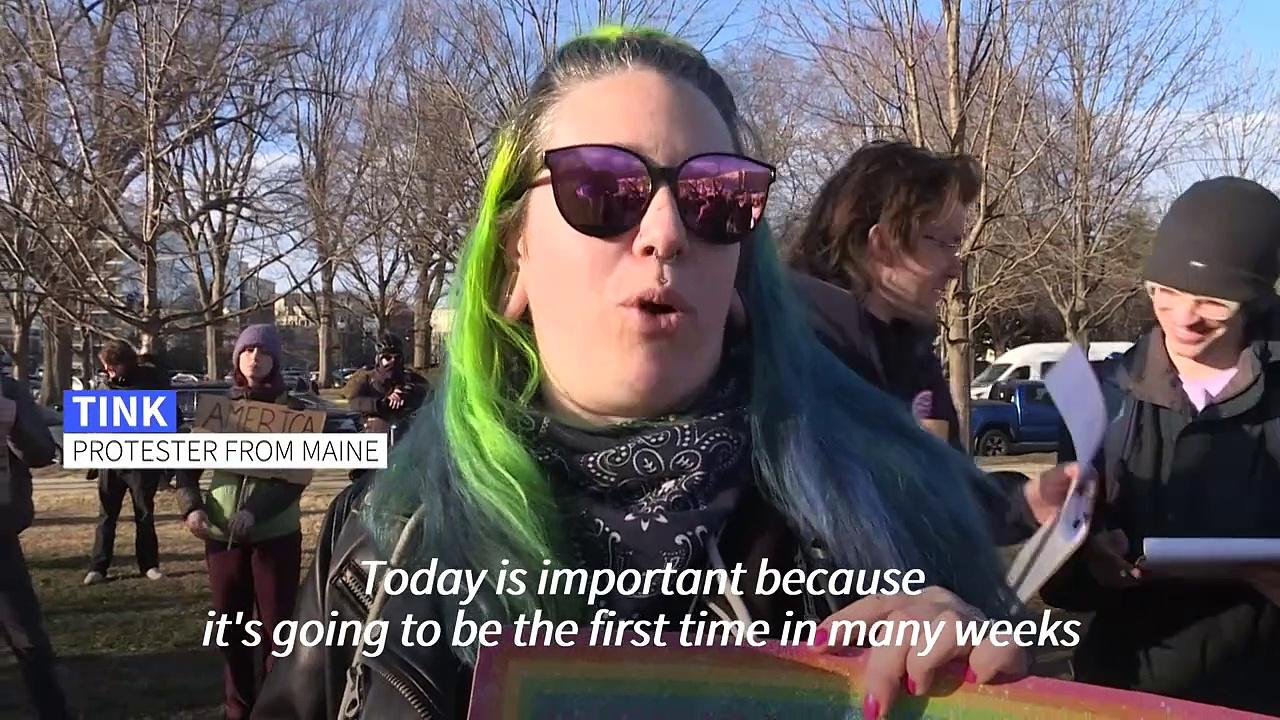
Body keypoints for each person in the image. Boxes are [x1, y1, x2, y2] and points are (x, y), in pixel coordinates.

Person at [253, 27, 1032, 720]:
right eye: (600, 188)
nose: (665, 233)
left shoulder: (882, 528)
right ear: (512, 256)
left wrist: (974, 696)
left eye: (715, 197)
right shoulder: (383, 536)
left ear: (739, 273)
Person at [1041, 176, 1280, 714]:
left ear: (1256, 299)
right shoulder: (1095, 395)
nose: (1183, 318)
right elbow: (1061, 579)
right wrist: (1086, 562)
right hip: (1127, 688)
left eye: (1213, 302)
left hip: (1262, 689)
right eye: (1164, 294)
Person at [787, 141, 1056, 545]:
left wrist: (1028, 502)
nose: (955, 267)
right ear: (881, 243)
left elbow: (947, 498)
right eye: (944, 242)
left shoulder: (912, 356)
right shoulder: (794, 358)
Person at [176, 324, 306, 720]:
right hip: (220, 536)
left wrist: (255, 512)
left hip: (275, 535)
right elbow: (186, 468)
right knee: (231, 628)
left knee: (276, 631)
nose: (254, 357)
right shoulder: (219, 409)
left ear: (274, 360)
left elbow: (294, 478)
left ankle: (274, 705)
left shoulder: (295, 411)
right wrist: (192, 507)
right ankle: (238, 708)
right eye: (247, 351)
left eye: (263, 352)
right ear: (237, 359)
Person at [0, 374, 70, 718]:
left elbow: (43, 452)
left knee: (28, 639)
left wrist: (13, 424)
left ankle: (54, 712)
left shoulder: (8, 391)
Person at [84, 339, 171, 585]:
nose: (108, 372)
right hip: (110, 461)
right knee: (106, 515)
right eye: (106, 368)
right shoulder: (105, 386)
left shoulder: (151, 384)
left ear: (124, 364)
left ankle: (149, 565)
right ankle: (98, 567)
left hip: (142, 462)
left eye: (112, 367)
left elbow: (168, 421)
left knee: (144, 514)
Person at [346, 332, 431, 437]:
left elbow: (428, 391)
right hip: (373, 433)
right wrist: (381, 404)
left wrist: (406, 392)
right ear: (378, 360)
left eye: (397, 358)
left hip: (406, 434)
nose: (393, 361)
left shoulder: (408, 377)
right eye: (387, 358)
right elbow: (353, 401)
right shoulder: (366, 378)